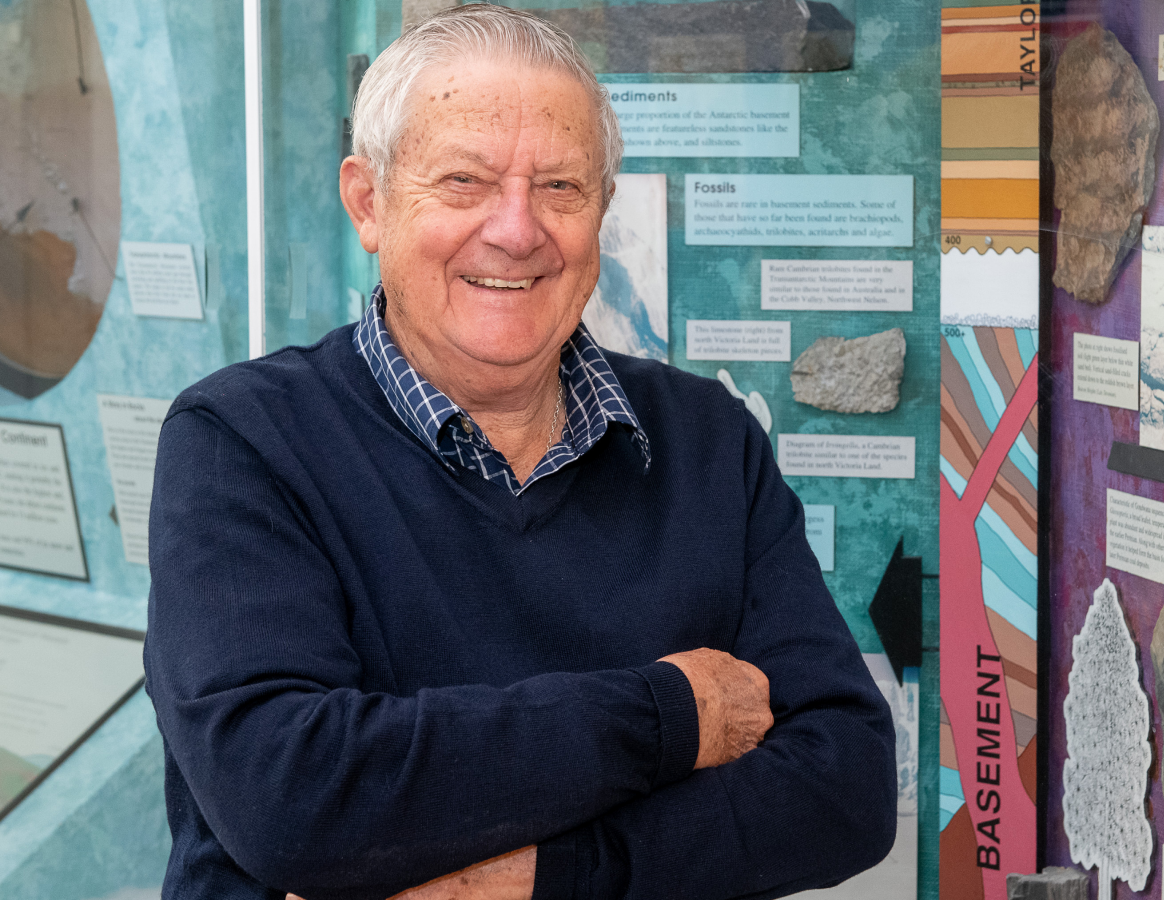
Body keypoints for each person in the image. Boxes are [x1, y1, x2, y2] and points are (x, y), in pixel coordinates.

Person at [142, 6, 896, 898]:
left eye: (562, 188)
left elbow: (844, 785)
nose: (516, 229)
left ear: (600, 213)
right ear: (368, 201)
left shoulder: (707, 440)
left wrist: (544, 878)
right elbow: (293, 798)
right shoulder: (242, 442)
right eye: (463, 182)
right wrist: (672, 716)